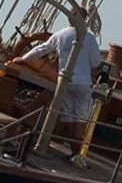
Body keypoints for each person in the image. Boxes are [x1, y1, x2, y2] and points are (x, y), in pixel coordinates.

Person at [20, 21, 102, 150]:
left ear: (69, 19)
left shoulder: (60, 34)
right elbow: (96, 63)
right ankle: (76, 155)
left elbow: (41, 49)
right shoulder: (90, 37)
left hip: (65, 82)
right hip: (83, 82)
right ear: (85, 19)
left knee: (69, 117)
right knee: (80, 118)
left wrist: (23, 59)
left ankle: (71, 149)